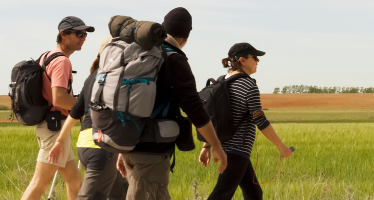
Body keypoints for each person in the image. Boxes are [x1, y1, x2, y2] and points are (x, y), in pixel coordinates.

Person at [116, 7, 227, 200]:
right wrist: (216, 145)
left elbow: (128, 102)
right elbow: (193, 107)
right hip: (152, 150)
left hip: (128, 145)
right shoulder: (173, 59)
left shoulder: (141, 55)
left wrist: (122, 147)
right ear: (186, 37)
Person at [199, 43, 293, 200]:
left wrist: (207, 145)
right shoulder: (248, 85)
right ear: (242, 60)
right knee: (220, 195)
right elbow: (260, 119)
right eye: (254, 57)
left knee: (254, 193)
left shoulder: (220, 83)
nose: (258, 61)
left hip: (227, 148)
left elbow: (212, 118)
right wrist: (280, 146)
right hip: (237, 151)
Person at [21, 16, 95, 200]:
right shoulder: (62, 61)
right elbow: (59, 99)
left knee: (75, 182)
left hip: (53, 127)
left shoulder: (47, 55)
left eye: (85, 34)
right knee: (39, 184)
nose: (83, 38)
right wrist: (87, 108)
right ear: (63, 34)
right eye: (79, 33)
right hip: (54, 128)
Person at [48, 35, 129, 200]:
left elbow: (76, 111)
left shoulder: (92, 77)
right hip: (102, 149)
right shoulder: (117, 76)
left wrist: (59, 141)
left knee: (121, 193)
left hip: (84, 147)